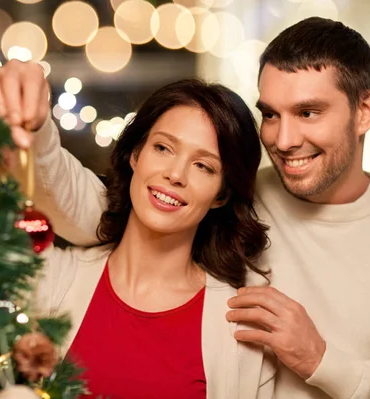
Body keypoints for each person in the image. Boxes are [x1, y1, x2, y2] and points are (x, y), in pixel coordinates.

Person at [0, 17, 370, 398]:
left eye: (308, 112)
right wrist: (36, 128)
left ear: (364, 111)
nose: (284, 138)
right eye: (271, 114)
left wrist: (322, 360)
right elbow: (104, 212)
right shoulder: (233, 196)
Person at [16, 79, 276, 398]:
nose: (175, 175)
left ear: (222, 194)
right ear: (136, 154)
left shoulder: (241, 333)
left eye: (203, 166)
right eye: (163, 148)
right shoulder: (49, 278)